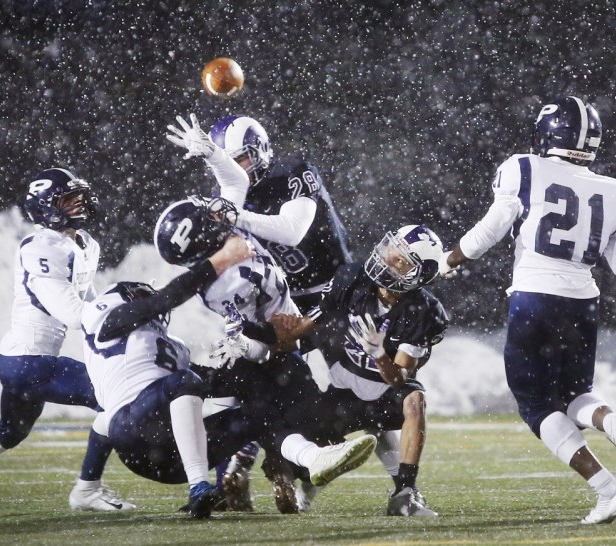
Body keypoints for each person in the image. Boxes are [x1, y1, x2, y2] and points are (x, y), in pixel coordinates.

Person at [437, 96, 616, 524]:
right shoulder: (615, 192)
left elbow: (490, 230)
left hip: (535, 296)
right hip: (583, 301)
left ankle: (609, 491)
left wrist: (450, 260)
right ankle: (612, 423)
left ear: (548, 133)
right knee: (575, 392)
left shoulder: (524, 169)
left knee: (536, 405)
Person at [166, 112, 353, 506]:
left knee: (337, 386)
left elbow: (292, 230)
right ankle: (247, 463)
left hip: (327, 293)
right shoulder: (231, 196)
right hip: (270, 305)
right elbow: (231, 187)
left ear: (262, 150)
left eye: (244, 159)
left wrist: (234, 207)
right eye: (233, 161)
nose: (241, 170)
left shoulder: (294, 172)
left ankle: (295, 471)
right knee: (260, 383)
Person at [153, 196, 377, 513]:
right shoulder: (232, 261)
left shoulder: (227, 262)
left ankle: (251, 472)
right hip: (271, 351)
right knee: (278, 419)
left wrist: (215, 158)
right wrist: (269, 337)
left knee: (265, 418)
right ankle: (277, 467)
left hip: (274, 348)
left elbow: (258, 339)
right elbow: (252, 340)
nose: (217, 218)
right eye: (210, 220)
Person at [0, 168, 133, 513]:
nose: (79, 204)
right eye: (68, 199)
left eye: (79, 196)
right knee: (111, 396)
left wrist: (113, 318)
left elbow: (90, 299)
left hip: (24, 360)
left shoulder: (85, 244)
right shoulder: (41, 247)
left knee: (9, 433)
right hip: (28, 362)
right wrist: (128, 313)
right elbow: (74, 314)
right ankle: (87, 490)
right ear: (46, 207)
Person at [230, 224, 450, 517]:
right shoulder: (353, 278)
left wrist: (379, 353)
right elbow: (303, 328)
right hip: (342, 391)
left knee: (414, 400)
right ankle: (300, 481)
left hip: (386, 393)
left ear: (418, 275)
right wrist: (247, 332)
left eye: (400, 260)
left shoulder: (425, 312)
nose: (387, 260)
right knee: (310, 455)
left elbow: (398, 378)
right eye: (390, 250)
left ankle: (406, 492)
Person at [79, 234, 257, 518]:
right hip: (132, 431)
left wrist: (250, 363)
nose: (151, 302)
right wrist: (219, 260)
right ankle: (199, 486)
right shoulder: (110, 322)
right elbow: (165, 300)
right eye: (141, 296)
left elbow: (209, 383)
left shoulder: (172, 346)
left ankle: (234, 490)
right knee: (183, 381)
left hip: (168, 460)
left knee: (256, 413)